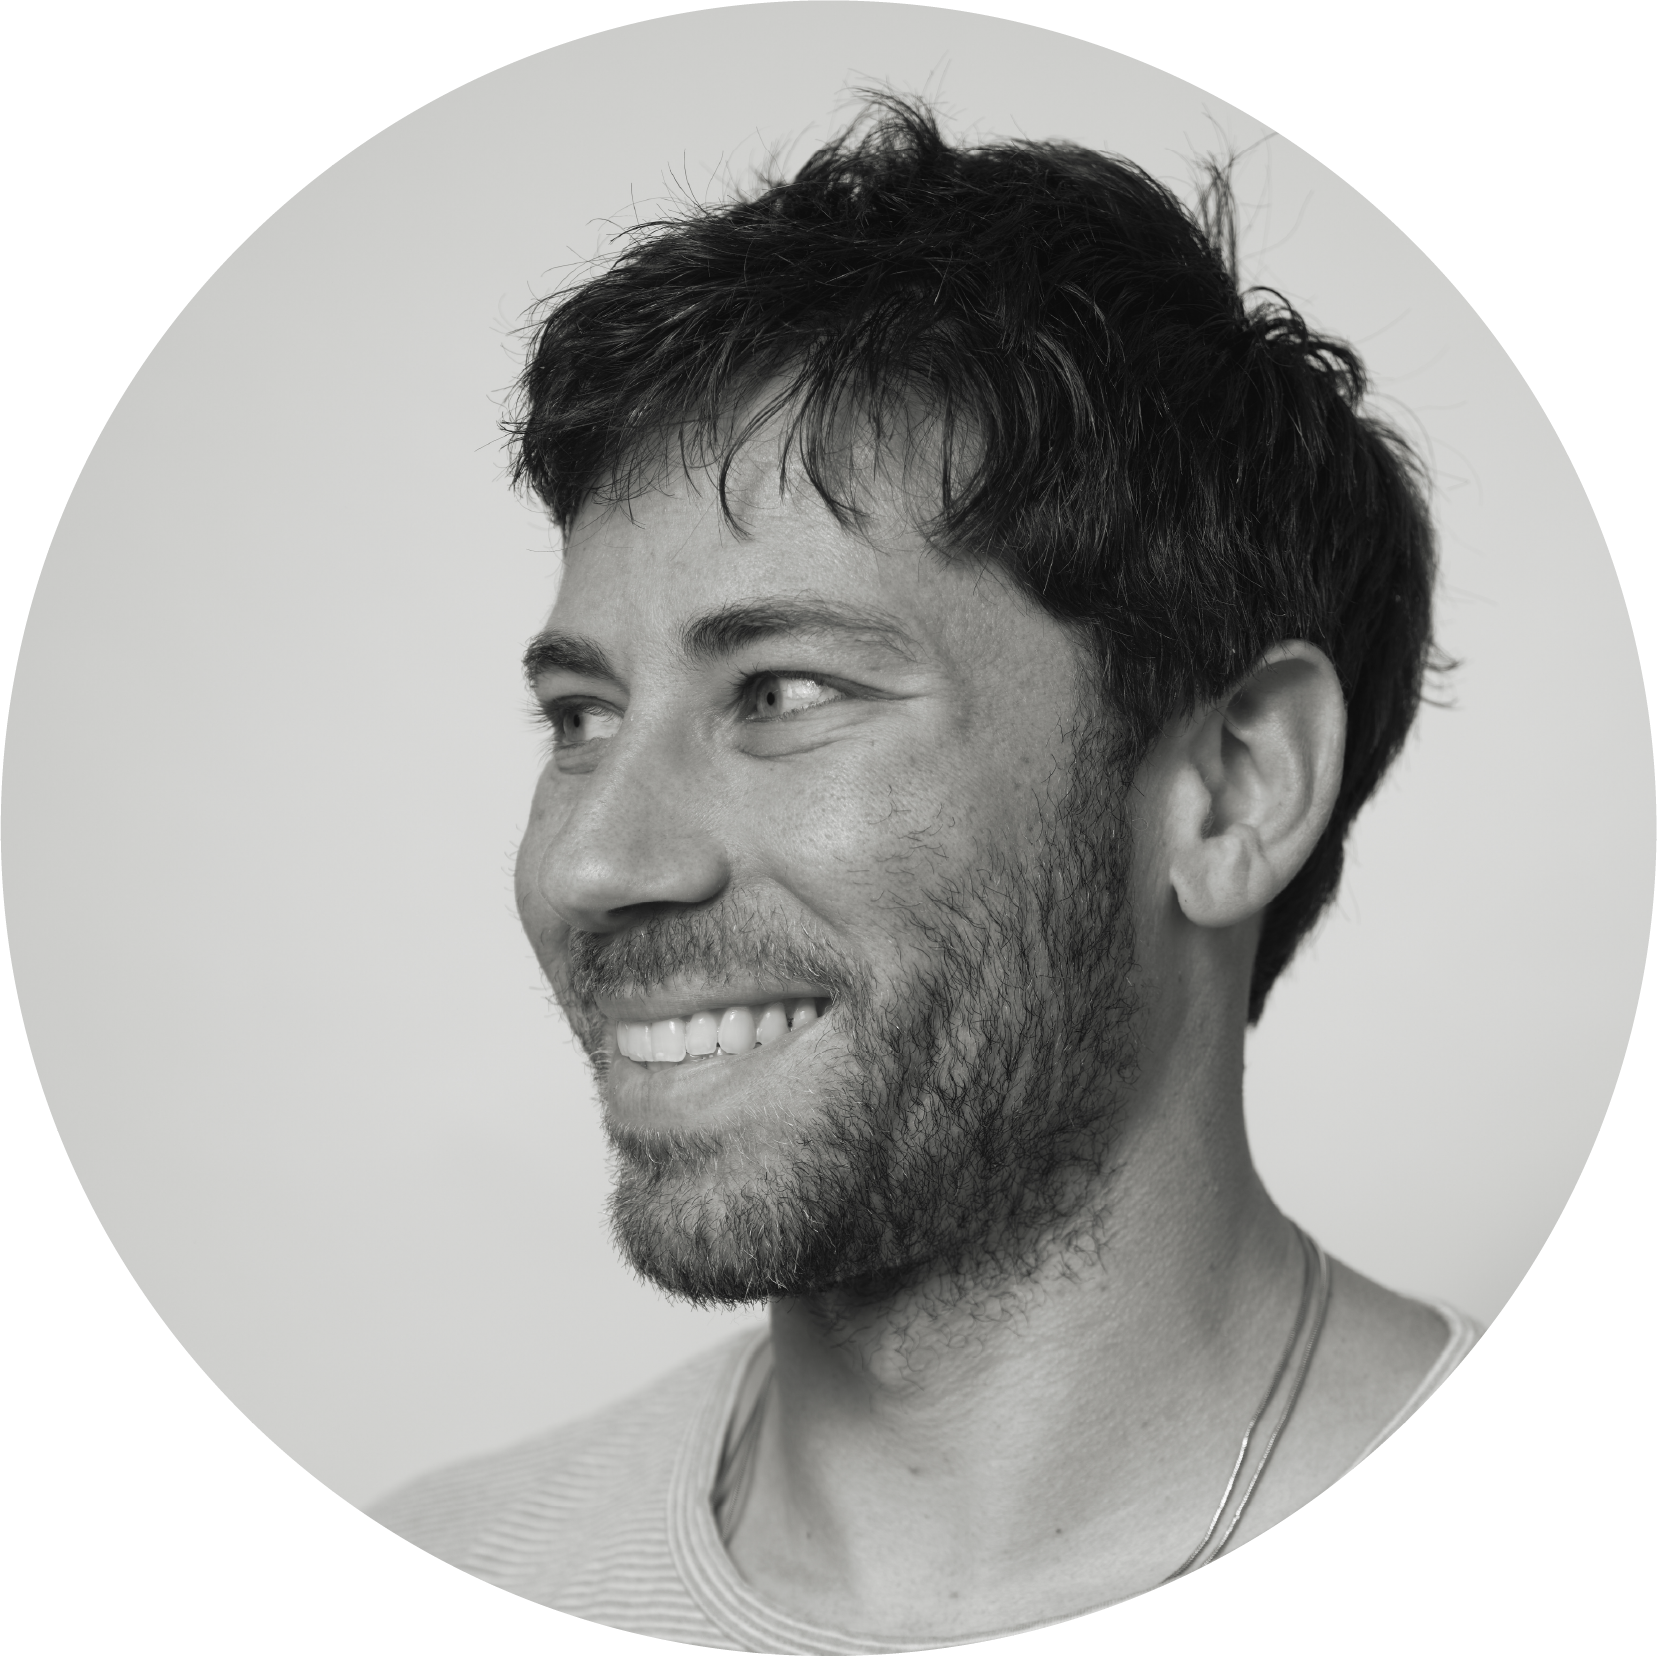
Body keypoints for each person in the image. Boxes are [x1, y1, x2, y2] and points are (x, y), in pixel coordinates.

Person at [374, 94, 1484, 1648]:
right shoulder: (433, 1589)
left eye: (783, 692)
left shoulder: (1572, 1560)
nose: (594, 861)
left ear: (1236, 788)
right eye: (581, 716)